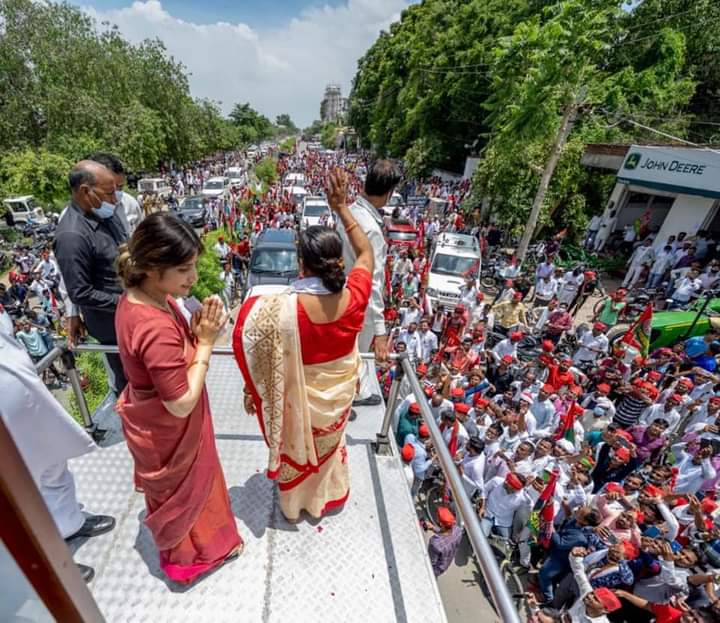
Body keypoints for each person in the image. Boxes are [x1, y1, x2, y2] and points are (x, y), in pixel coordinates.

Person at [234, 169, 374, 522]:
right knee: (330, 445)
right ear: (337, 261)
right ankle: (328, 494)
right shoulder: (356, 296)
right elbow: (366, 252)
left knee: (296, 446)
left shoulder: (278, 309)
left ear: (300, 264)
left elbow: (247, 342)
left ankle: (295, 506)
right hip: (340, 396)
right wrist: (342, 208)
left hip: (295, 400)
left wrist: (255, 389)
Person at [114, 213, 242, 584]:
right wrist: (205, 341)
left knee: (192, 495)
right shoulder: (153, 325)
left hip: (161, 425)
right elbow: (181, 401)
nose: (193, 278)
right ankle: (192, 561)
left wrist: (194, 328)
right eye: (184, 269)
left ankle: (198, 551)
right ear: (153, 267)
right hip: (171, 428)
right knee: (189, 501)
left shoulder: (147, 297)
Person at [0, 329, 116, 583]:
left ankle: (69, 523)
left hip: (24, 397)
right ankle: (44, 568)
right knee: (15, 499)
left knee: (53, 464)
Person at [53, 160, 129, 393]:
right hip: (113, 326)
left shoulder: (105, 214)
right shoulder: (72, 235)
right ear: (86, 192)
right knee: (130, 386)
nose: (115, 200)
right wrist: (126, 303)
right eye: (109, 193)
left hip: (133, 312)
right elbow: (80, 292)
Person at [337, 159, 401, 407]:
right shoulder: (370, 229)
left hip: (343, 298)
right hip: (359, 306)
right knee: (355, 355)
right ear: (389, 193)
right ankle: (348, 399)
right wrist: (381, 333)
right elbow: (373, 284)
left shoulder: (351, 212)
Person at [89, 153, 143, 235]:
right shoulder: (74, 224)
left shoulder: (130, 204)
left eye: (120, 187)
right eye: (110, 189)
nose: (115, 198)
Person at [427, 506, 463, 576]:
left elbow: (430, 561)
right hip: (445, 564)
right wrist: (433, 528)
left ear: (441, 524)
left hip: (435, 569)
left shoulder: (435, 543)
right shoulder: (458, 531)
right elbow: (446, 533)